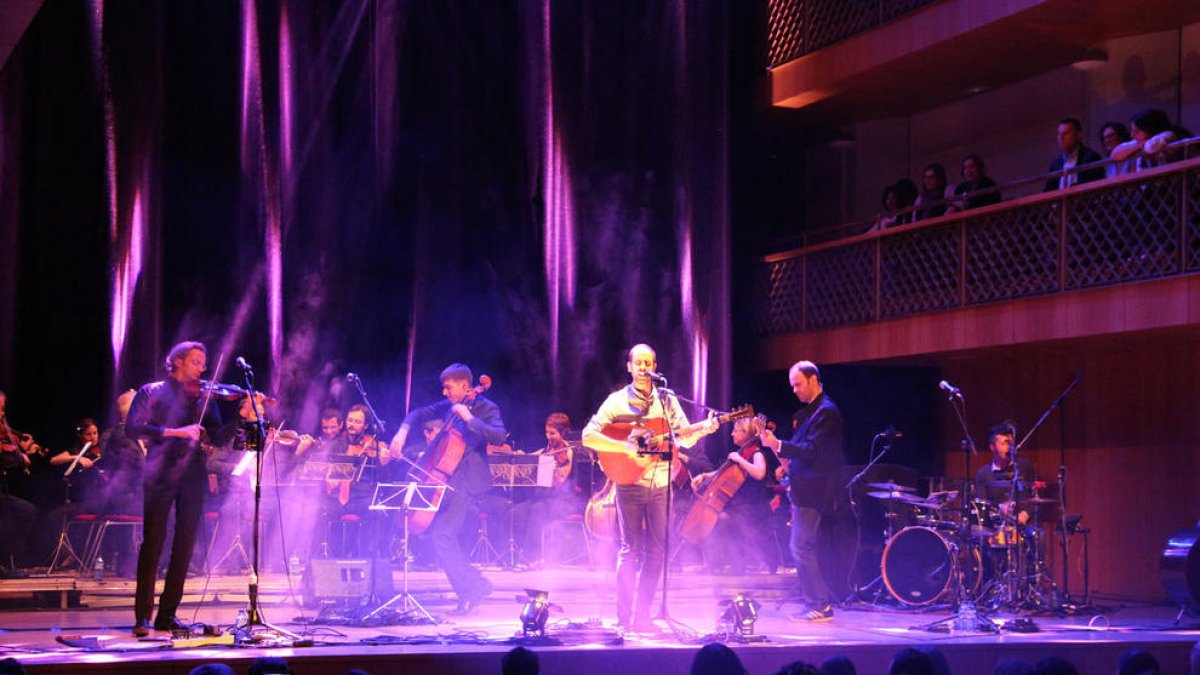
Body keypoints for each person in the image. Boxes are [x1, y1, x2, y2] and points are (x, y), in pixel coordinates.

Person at [581, 343, 717, 632]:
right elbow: (588, 436)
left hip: (660, 484)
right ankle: (623, 618)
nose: (644, 367)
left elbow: (683, 438)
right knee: (629, 550)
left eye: (649, 362)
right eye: (638, 362)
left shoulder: (666, 400)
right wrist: (624, 448)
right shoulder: (616, 401)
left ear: (655, 367)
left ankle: (642, 617)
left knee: (657, 552)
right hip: (629, 483)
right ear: (629, 367)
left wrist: (705, 427)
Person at [127, 341, 238, 636]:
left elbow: (217, 433)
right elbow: (132, 427)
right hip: (160, 472)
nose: (202, 368)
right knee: (154, 541)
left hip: (193, 473)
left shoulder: (203, 396)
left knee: (186, 542)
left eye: (204, 363)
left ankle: (167, 615)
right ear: (177, 361)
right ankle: (142, 617)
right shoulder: (151, 391)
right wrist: (174, 432)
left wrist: (242, 415)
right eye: (196, 362)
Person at [385, 363, 506, 613]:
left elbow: (499, 436)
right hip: (446, 479)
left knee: (442, 535)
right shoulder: (449, 407)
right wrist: (401, 433)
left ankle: (471, 590)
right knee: (436, 535)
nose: (445, 393)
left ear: (464, 385)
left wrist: (469, 418)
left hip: (468, 481)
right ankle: (476, 585)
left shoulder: (486, 407)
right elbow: (417, 413)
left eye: (448, 387)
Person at [758, 360, 844, 622]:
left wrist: (779, 444)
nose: (794, 390)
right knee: (800, 546)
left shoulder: (826, 412)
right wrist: (783, 459)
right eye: (792, 385)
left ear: (813, 380)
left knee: (800, 546)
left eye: (798, 384)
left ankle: (820, 604)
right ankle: (815, 603)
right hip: (804, 487)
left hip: (814, 490)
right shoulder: (812, 413)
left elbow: (813, 451)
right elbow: (803, 451)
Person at [688, 417, 773, 574]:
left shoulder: (755, 452)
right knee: (720, 520)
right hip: (739, 505)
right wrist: (705, 475)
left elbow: (760, 473)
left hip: (752, 505)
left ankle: (731, 564)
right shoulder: (743, 452)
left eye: (735, 431)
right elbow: (725, 473)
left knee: (722, 520)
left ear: (745, 433)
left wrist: (740, 459)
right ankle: (726, 564)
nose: (732, 434)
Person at [1110, 108, 1185, 172]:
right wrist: (1138, 146)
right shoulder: (1140, 142)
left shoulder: (1168, 135)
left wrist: (1138, 148)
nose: (1132, 135)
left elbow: (1151, 147)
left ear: (1149, 128)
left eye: (1137, 131)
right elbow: (1115, 154)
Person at [1043, 118, 1105, 191]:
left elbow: (1095, 187)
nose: (1061, 138)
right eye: (1059, 134)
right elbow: (1048, 191)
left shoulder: (1091, 157)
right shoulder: (1055, 164)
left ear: (1079, 135)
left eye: (1066, 133)